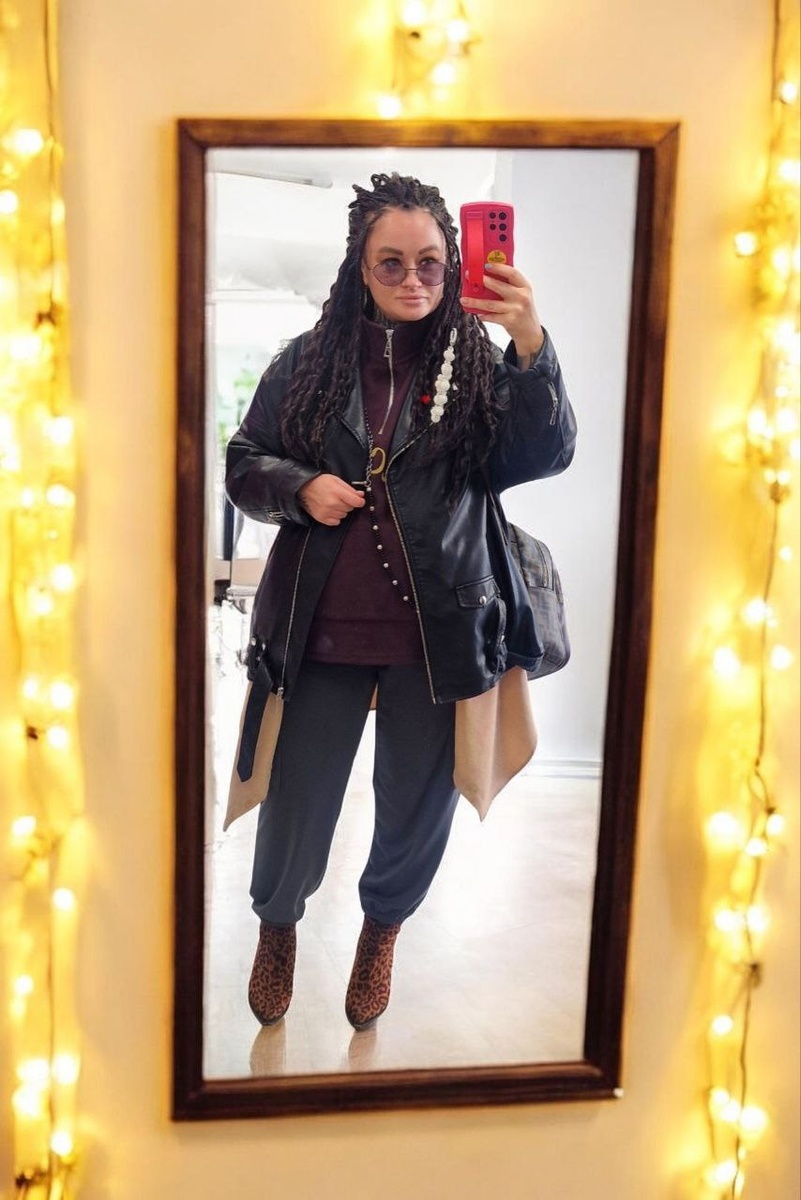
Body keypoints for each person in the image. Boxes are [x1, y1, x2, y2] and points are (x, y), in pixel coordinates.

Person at [225, 172, 576, 1032]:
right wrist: (298, 486)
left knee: (416, 805)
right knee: (297, 798)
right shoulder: (304, 362)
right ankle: (278, 925)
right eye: (391, 262)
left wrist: (528, 340)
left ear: (453, 265)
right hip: (318, 628)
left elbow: (540, 454)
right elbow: (243, 460)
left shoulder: (481, 365)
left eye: (429, 262)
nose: (412, 278)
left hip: (441, 631)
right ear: (361, 265)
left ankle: (381, 931)